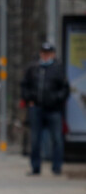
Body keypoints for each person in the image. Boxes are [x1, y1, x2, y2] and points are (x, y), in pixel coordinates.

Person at [20, 42, 69, 176]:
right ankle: (36, 168)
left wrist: (57, 99)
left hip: (54, 110)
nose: (46, 56)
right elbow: (24, 85)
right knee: (35, 139)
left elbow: (65, 89)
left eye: (48, 53)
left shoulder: (58, 69)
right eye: (43, 53)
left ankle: (57, 167)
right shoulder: (33, 68)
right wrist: (29, 99)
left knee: (57, 139)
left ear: (53, 54)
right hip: (36, 108)